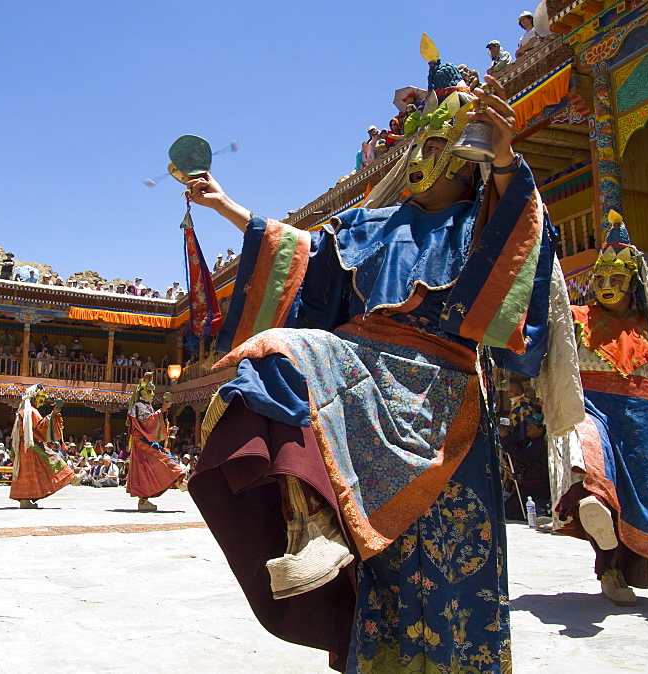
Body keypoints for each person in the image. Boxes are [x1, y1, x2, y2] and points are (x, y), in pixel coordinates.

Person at [186, 49, 551, 671]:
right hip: (355, 382)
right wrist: (226, 206)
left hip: (439, 397)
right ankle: (312, 521)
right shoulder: (367, 225)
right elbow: (296, 256)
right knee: (277, 358)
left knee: (448, 566)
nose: (420, 152)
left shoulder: (484, 222)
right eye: (417, 138)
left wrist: (509, 162)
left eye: (441, 138)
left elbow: (518, 264)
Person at [549, 212, 648, 606]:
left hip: (645, 419)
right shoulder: (576, 319)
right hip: (593, 406)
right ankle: (607, 565)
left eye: (617, 279)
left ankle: (623, 570)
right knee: (595, 470)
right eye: (601, 279)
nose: (607, 287)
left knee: (637, 499)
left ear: (633, 283)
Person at [124, 373, 186, 511]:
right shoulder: (139, 406)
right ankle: (176, 482)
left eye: (153, 391)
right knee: (155, 465)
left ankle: (177, 481)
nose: (152, 394)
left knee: (152, 468)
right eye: (149, 391)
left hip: (147, 442)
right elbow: (147, 422)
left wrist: (166, 423)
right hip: (142, 443)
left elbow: (154, 424)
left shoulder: (147, 406)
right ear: (142, 392)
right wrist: (162, 410)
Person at [9, 384, 74, 508]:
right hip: (32, 445)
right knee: (54, 460)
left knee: (27, 473)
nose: (42, 401)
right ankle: (72, 477)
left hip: (23, 446)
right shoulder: (32, 411)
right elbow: (41, 428)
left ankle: (25, 500)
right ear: (34, 397)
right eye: (41, 397)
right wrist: (52, 415)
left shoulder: (22, 411)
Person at [501, 413, 550, 519]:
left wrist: (506, 438)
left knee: (511, 512)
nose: (527, 428)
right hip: (526, 486)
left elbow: (521, 456)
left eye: (532, 426)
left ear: (540, 430)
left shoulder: (542, 444)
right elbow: (518, 446)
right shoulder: (529, 441)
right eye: (528, 425)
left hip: (536, 488)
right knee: (506, 509)